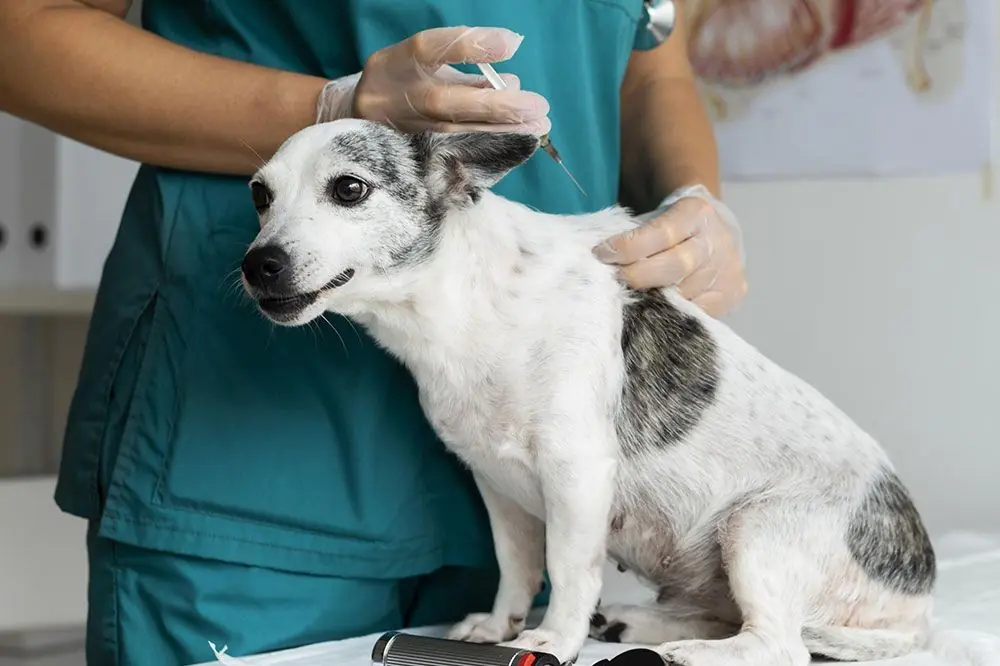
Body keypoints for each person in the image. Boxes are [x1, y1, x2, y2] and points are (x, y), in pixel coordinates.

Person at [0, 1, 747, 665]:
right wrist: (331, 106)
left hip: (527, 455)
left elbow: (654, 68)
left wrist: (696, 201)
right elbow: (22, 29)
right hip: (251, 448)